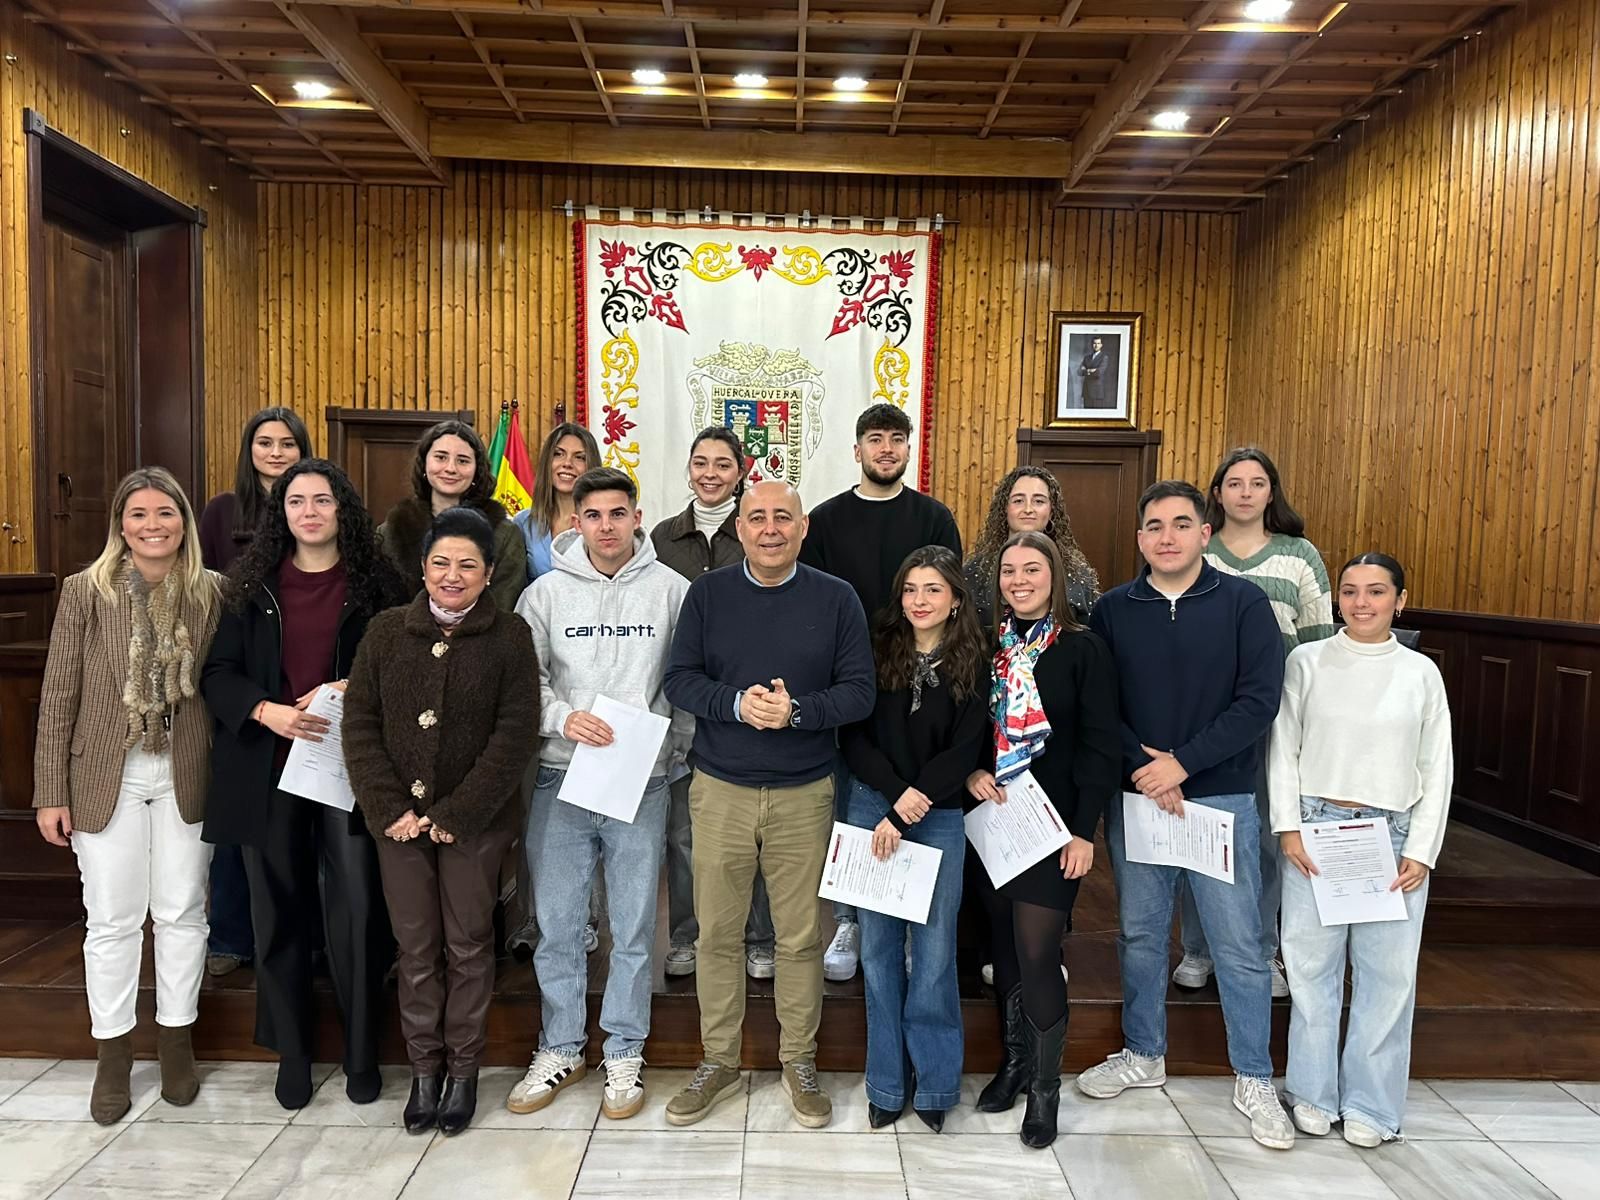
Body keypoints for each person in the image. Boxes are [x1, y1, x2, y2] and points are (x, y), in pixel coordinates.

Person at [1075, 480, 1295, 1152]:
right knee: (1141, 935)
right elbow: (1096, 705)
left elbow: (1259, 701)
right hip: (1140, 797)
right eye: (1152, 526)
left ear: (1206, 531)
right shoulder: (1113, 611)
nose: (1165, 537)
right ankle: (1144, 1053)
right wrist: (1150, 769)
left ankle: (1254, 1076)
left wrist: (1185, 764)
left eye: (1179, 524)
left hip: (1220, 796)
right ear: (1139, 538)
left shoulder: (1242, 604)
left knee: (1238, 946)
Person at [662, 480, 875, 1129]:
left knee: (801, 938)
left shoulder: (836, 599)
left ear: (802, 527)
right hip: (720, 789)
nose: (771, 527)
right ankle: (719, 1060)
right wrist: (735, 703)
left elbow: (860, 692)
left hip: (805, 795)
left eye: (783, 516)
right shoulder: (707, 594)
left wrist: (797, 711)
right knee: (717, 935)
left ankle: (798, 1061)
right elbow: (679, 679)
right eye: (758, 517)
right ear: (741, 526)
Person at [202, 459, 405, 1112]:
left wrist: (352, 688)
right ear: (281, 513)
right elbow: (218, 674)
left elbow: (408, 660)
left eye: (323, 499)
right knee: (279, 911)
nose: (310, 511)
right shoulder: (249, 587)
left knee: (357, 910)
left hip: (348, 766)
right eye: (297, 501)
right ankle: (292, 1051)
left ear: (343, 508)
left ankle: (361, 1051)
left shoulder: (378, 585)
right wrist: (269, 711)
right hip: (268, 766)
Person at [343, 506, 539, 1137]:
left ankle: (463, 1072)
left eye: (467, 565)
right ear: (423, 568)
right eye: (440, 563)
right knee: (416, 948)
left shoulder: (509, 635)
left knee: (468, 945)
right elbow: (361, 726)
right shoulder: (383, 633)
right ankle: (423, 1071)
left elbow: (514, 734)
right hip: (397, 823)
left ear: (488, 573)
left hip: (473, 823)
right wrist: (389, 808)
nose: (452, 576)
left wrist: (458, 812)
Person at [33, 468, 220, 1124]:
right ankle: (113, 1055)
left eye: (165, 513)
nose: (152, 525)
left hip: (186, 772)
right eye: (138, 515)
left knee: (181, 912)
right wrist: (49, 791)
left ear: (183, 523)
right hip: (102, 774)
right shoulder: (87, 592)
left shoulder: (211, 592)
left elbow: (224, 683)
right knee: (112, 920)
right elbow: (59, 693)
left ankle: (176, 1042)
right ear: (120, 525)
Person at [508, 468, 691, 1122]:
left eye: (619, 513)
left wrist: (670, 752)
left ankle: (623, 1048)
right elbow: (522, 681)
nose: (608, 526)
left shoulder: (674, 591)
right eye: (594, 515)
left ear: (638, 516)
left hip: (641, 783)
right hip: (562, 776)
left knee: (634, 925)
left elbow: (687, 682)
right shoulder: (545, 596)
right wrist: (561, 718)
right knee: (558, 923)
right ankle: (560, 1045)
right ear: (574, 521)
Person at [1271, 553, 1452, 1147]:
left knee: (1386, 976)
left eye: (1377, 592)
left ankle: (1373, 1106)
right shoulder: (1307, 661)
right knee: (1312, 970)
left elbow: (1437, 767)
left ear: (1400, 600)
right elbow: (1284, 748)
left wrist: (1422, 850)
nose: (1362, 602)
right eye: (1350, 591)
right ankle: (1312, 1093)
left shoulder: (1420, 672)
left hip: (1392, 836)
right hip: (1317, 832)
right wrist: (1289, 827)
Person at [964, 532, 1120, 1149]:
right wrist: (974, 770)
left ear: (1054, 576)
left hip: (1055, 831)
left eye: (1032, 569)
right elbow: (970, 728)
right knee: (1002, 948)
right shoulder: (985, 649)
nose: (1019, 580)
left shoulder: (1083, 650)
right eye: (1009, 570)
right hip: (996, 821)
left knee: (1037, 951)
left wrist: (1085, 833)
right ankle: (1016, 1061)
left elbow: (1100, 748)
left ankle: (1045, 1088)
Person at [799, 402, 961, 983]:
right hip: (848, 682)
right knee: (853, 801)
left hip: (922, 680)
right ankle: (849, 914)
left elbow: (950, 597)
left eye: (897, 438)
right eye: (875, 439)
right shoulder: (827, 519)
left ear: (909, 447)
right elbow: (811, 605)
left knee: (920, 797)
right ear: (857, 449)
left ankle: (913, 919)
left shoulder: (934, 516)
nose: (886, 448)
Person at [1173, 447, 1335, 999]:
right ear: (1216, 493)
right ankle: (1199, 947)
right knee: (1202, 835)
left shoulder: (1300, 555)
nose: (1245, 492)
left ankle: (1262, 950)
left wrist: (1314, 716)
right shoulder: (1197, 548)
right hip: (1206, 719)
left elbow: (1318, 642)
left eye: (1257, 483)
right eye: (1233, 483)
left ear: (1272, 492)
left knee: (1269, 836)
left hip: (1279, 715)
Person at [842, 546, 989, 1133]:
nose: (920, 601)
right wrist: (892, 798)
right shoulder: (878, 649)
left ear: (955, 598)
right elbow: (852, 737)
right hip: (872, 804)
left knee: (932, 956)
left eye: (933, 589)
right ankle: (884, 1081)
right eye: (911, 590)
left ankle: (933, 1082)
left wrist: (910, 808)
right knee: (877, 953)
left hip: (938, 814)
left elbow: (965, 750)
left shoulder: (975, 658)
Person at [650, 426, 777, 981]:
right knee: (684, 835)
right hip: (679, 703)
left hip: (744, 708)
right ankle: (686, 935)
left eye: (721, 464)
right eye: (699, 462)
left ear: (740, 469)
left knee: (754, 836)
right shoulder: (660, 536)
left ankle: (759, 937)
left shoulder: (756, 530)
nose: (709, 473)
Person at [197, 406, 312, 980]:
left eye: (287, 443)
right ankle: (232, 937)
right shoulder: (222, 511)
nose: (275, 452)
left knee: (300, 826)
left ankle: (307, 940)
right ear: (249, 449)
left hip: (299, 673)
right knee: (239, 814)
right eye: (264, 442)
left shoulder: (316, 507)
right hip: (239, 667)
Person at [376, 420, 526, 612]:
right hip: (403, 637)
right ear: (424, 464)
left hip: (482, 638)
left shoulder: (504, 534)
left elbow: (504, 605)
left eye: (462, 460)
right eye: (441, 457)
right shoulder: (390, 532)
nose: (450, 468)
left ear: (477, 471)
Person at [965, 466, 1099, 631]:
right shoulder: (974, 572)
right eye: (1018, 501)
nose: (1028, 509)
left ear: (1051, 512)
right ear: (1004, 509)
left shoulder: (1078, 574)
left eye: (1039, 501)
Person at [514, 421, 601, 583]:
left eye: (579, 457)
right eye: (558, 454)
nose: (567, 463)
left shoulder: (602, 523)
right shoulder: (524, 523)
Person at [1078, 336, 1111, 408]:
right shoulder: (1087, 358)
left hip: (1097, 392)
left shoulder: (1104, 357)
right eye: (1094, 343)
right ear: (1092, 345)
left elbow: (1099, 373)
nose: (1096, 345)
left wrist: (1086, 370)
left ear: (1101, 345)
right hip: (1086, 391)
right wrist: (1090, 370)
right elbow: (1079, 371)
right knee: (1086, 415)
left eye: (1098, 343)